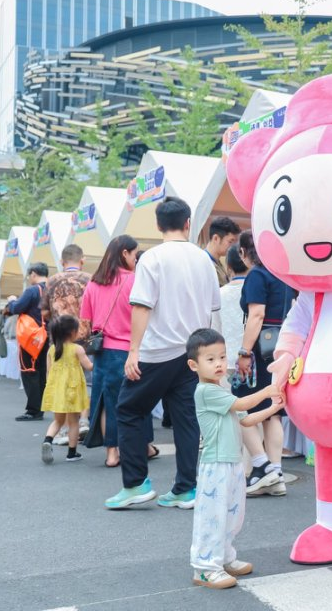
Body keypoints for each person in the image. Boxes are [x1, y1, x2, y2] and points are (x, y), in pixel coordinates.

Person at [105, 196, 221, 510]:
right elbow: (213, 310)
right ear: (188, 224)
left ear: (158, 225)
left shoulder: (152, 258)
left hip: (157, 351)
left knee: (129, 410)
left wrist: (133, 351)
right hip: (193, 353)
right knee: (187, 420)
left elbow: (142, 306)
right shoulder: (204, 260)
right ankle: (186, 488)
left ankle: (135, 484)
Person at [187, 328, 283, 589]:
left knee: (232, 514)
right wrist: (266, 391)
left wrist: (273, 408)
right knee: (213, 516)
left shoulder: (222, 391)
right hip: (216, 464)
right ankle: (205, 567)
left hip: (231, 462)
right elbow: (241, 406)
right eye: (210, 359)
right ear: (194, 365)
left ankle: (223, 557)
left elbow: (247, 420)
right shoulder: (205, 391)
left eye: (221, 357)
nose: (219, 363)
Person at [81, 235, 155, 467]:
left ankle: (111, 453)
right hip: (131, 351)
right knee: (138, 400)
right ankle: (144, 446)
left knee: (106, 402)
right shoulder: (135, 280)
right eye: (134, 254)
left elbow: (85, 321)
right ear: (125, 253)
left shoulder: (93, 283)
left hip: (103, 352)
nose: (136, 259)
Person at [234, 230, 292, 496]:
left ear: (244, 252)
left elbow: (256, 315)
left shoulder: (257, 275)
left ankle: (261, 465)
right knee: (273, 410)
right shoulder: (283, 274)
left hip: (259, 350)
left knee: (240, 407)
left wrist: (244, 352)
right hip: (281, 348)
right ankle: (276, 473)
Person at [42, 244, 92, 441]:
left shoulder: (51, 281)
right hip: (87, 340)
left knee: (61, 382)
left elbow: (44, 312)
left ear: (62, 262)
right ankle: (84, 421)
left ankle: (63, 429)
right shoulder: (90, 279)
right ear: (82, 260)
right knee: (86, 382)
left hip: (60, 342)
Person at [40, 315, 92, 464]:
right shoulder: (77, 349)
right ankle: (72, 453)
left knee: (58, 421)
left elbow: (48, 372)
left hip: (57, 390)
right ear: (72, 332)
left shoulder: (52, 349)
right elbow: (89, 366)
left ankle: (47, 440)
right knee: (73, 422)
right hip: (72, 390)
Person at [5, 262, 50, 421]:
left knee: (29, 370)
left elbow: (16, 308)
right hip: (47, 335)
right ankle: (40, 407)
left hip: (32, 337)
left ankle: (33, 410)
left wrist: (12, 300)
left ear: (33, 274)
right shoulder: (52, 289)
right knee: (42, 371)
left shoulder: (32, 290)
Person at [218, 245, 248, 384]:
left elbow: (214, 328)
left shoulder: (218, 294)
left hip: (225, 359)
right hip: (252, 358)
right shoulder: (259, 293)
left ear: (228, 267)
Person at [204, 216, 242, 287]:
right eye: (230, 241)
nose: (233, 246)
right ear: (216, 238)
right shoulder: (205, 264)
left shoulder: (217, 262)